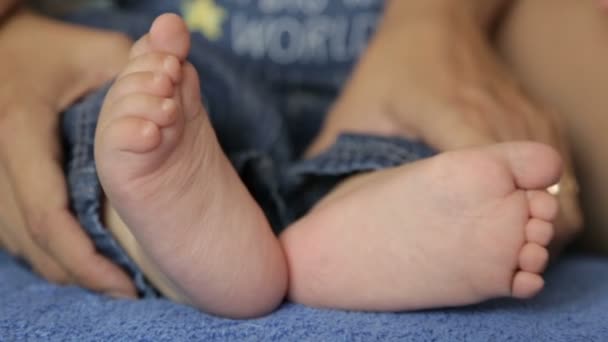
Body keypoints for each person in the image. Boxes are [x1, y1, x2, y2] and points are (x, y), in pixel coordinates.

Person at [0, 0, 604, 317]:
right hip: (169, 59)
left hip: (420, 58)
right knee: (117, 110)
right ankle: (161, 232)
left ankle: (355, 215)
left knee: (447, 128)